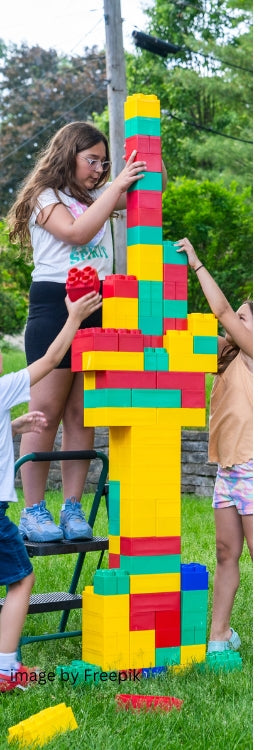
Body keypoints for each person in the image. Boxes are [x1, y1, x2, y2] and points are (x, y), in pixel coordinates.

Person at [3, 122, 149, 542]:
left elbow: (149, 188)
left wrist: (140, 160)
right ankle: (32, 510)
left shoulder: (93, 198)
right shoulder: (45, 197)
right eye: (92, 160)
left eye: (104, 163)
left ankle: (71, 508)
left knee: (81, 412)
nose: (99, 170)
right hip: (55, 303)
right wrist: (115, 186)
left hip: (99, 304)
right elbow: (75, 232)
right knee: (45, 410)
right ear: (68, 154)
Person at [1, 293, 103, 691]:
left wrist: (10, 429)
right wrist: (74, 317)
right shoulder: (5, 387)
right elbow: (46, 362)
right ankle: (7, 668)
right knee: (22, 579)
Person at [174, 238, 253, 654]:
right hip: (229, 471)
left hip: (254, 468)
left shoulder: (255, 353)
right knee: (226, 553)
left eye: (244, 318)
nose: (233, 324)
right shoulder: (229, 356)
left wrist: (197, 263)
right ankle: (218, 637)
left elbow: (220, 311)